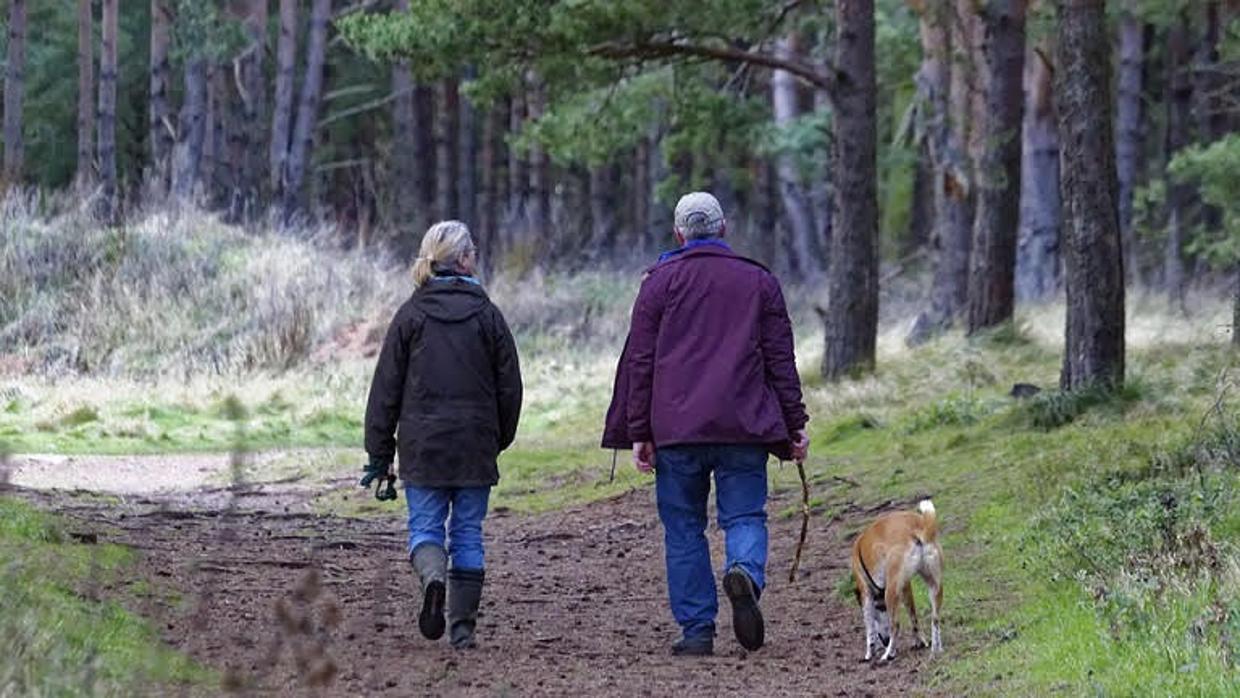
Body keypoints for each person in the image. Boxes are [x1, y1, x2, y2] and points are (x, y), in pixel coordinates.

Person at [602, 192, 809, 656]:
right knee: (744, 516)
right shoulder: (759, 281)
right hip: (744, 427)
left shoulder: (657, 284)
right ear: (723, 229)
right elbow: (781, 360)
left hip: (677, 432)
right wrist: (794, 423)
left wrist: (639, 431)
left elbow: (641, 362)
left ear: (678, 234)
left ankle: (697, 630)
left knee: (683, 529)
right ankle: (745, 575)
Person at [362, 220, 523, 649]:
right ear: (465, 260)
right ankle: (462, 629)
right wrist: (498, 439)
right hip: (474, 445)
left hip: (423, 446)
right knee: (468, 533)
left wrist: (379, 454)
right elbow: (511, 387)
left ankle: (432, 579)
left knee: (425, 530)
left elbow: (385, 391)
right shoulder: (488, 315)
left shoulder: (411, 315)